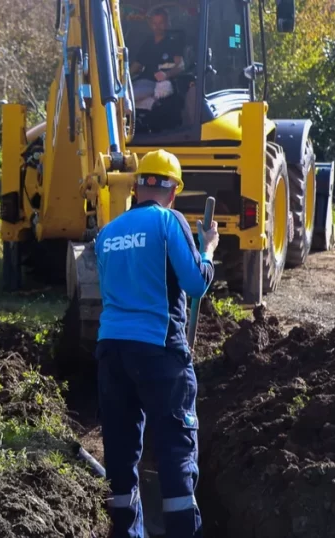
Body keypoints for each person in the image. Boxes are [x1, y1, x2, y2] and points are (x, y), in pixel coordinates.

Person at [93, 149, 218, 538]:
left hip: (111, 351)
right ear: (173, 191)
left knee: (120, 451)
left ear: (136, 186)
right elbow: (196, 283)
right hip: (159, 351)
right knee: (176, 448)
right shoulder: (168, 221)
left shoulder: (107, 233)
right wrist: (207, 250)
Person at [131, 9, 185, 109]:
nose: (157, 26)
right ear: (150, 25)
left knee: (127, 98)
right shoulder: (148, 43)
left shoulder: (173, 43)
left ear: (167, 24)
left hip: (157, 84)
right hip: (141, 81)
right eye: (154, 23)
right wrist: (123, 79)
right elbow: (137, 64)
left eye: (161, 23)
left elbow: (181, 66)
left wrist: (166, 74)